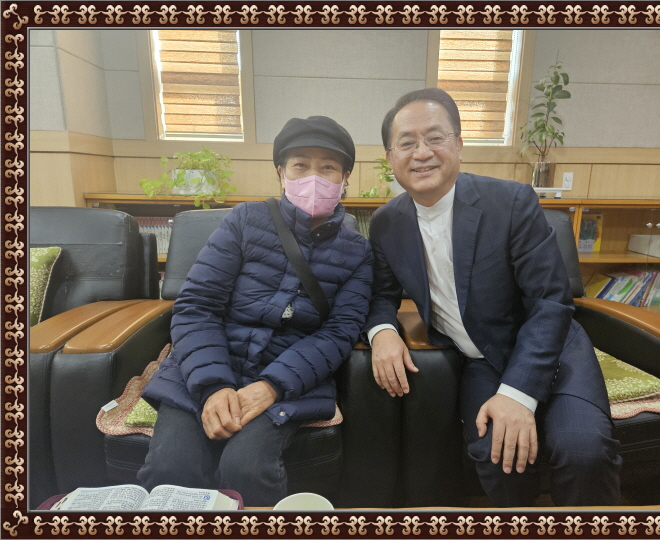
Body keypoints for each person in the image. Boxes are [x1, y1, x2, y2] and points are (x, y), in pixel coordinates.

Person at [365, 88, 621, 507]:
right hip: (481, 359)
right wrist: (383, 333)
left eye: (435, 138)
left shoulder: (511, 202)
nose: (422, 153)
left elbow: (551, 302)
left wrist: (517, 395)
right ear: (391, 158)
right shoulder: (386, 223)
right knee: (496, 454)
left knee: (582, 451)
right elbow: (380, 294)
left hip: (552, 351)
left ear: (459, 144)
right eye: (407, 143)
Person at [138, 116, 373, 507]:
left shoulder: (358, 251)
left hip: (290, 378)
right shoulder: (245, 220)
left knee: (245, 467)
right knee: (171, 466)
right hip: (206, 365)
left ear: (345, 177)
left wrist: (272, 386)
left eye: (328, 167)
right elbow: (197, 306)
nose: (313, 177)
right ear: (281, 172)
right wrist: (214, 387)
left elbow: (339, 333)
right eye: (300, 165)